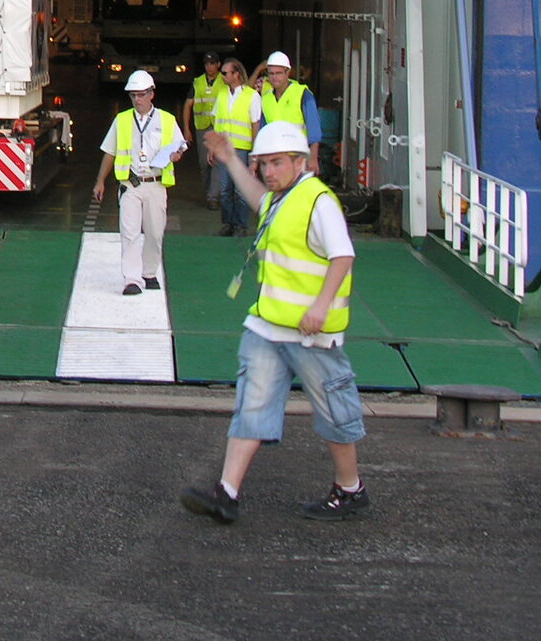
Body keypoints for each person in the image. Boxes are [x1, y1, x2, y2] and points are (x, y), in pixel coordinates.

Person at [180, 121, 372, 525]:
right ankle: (226, 493)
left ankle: (350, 489)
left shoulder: (317, 202)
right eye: (264, 164)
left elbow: (343, 256)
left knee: (336, 412)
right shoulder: (282, 200)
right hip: (268, 327)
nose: (269, 171)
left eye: (277, 163)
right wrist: (232, 159)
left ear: (300, 162)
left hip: (311, 334)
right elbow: (258, 200)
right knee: (252, 403)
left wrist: (320, 308)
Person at [93, 70, 186, 295]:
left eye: (142, 94)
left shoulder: (166, 119)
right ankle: (132, 279)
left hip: (156, 183)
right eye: (134, 95)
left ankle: (149, 272)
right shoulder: (122, 120)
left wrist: (175, 156)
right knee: (130, 232)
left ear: (152, 94)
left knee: (155, 232)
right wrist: (100, 182)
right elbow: (110, 152)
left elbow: (180, 146)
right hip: (130, 184)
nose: (138, 99)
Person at [210, 56, 261, 238]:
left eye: (225, 73)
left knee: (240, 190)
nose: (221, 76)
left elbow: (255, 125)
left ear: (236, 74)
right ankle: (227, 223)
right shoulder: (222, 94)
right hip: (224, 150)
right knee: (225, 190)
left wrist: (255, 154)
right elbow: (217, 123)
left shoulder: (252, 96)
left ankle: (241, 225)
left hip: (242, 149)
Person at [252, 50, 323, 175]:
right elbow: (263, 132)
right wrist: (256, 160)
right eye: (271, 73)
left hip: (298, 157)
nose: (274, 77)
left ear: (287, 72)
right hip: (275, 158)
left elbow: (314, 129)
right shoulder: (266, 99)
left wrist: (313, 157)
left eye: (278, 73)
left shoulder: (302, 94)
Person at [180, 51, 224, 209]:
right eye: (206, 64)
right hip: (202, 127)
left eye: (212, 63)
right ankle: (210, 193)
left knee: (217, 162)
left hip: (219, 127)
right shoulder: (197, 82)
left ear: (218, 65)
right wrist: (186, 128)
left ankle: (213, 197)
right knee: (204, 164)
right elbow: (188, 105)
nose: (209, 67)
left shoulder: (224, 81)